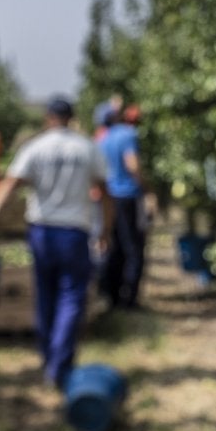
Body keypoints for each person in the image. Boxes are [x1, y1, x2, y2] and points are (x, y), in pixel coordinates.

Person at [0, 97, 112, 389]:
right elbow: (105, 191)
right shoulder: (86, 148)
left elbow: (9, 183)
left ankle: (49, 357)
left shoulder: (35, 147)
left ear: (47, 118)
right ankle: (60, 363)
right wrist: (105, 231)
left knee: (45, 295)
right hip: (74, 231)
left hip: (42, 231)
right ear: (72, 118)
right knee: (71, 297)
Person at [98, 104, 147, 308]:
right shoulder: (127, 134)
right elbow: (132, 164)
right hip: (128, 197)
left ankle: (112, 296)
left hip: (108, 199)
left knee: (113, 246)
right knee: (133, 249)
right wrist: (147, 188)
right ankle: (130, 299)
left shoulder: (103, 139)